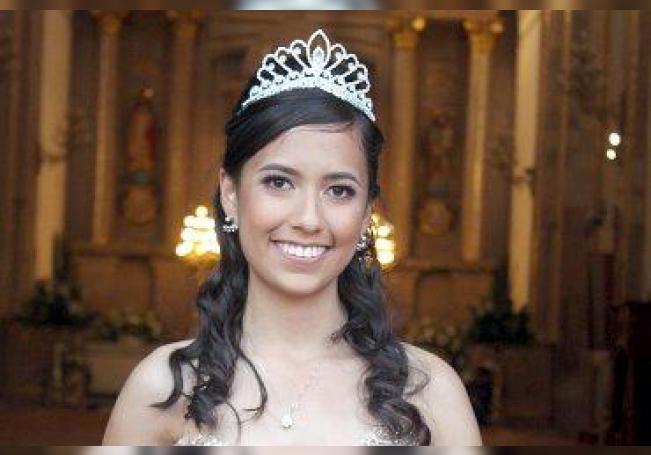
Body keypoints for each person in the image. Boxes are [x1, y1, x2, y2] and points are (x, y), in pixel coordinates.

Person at [102, 29, 481, 446]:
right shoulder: (163, 389)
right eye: (279, 182)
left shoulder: (430, 394)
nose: (308, 219)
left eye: (339, 190)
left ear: (366, 212)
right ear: (230, 194)